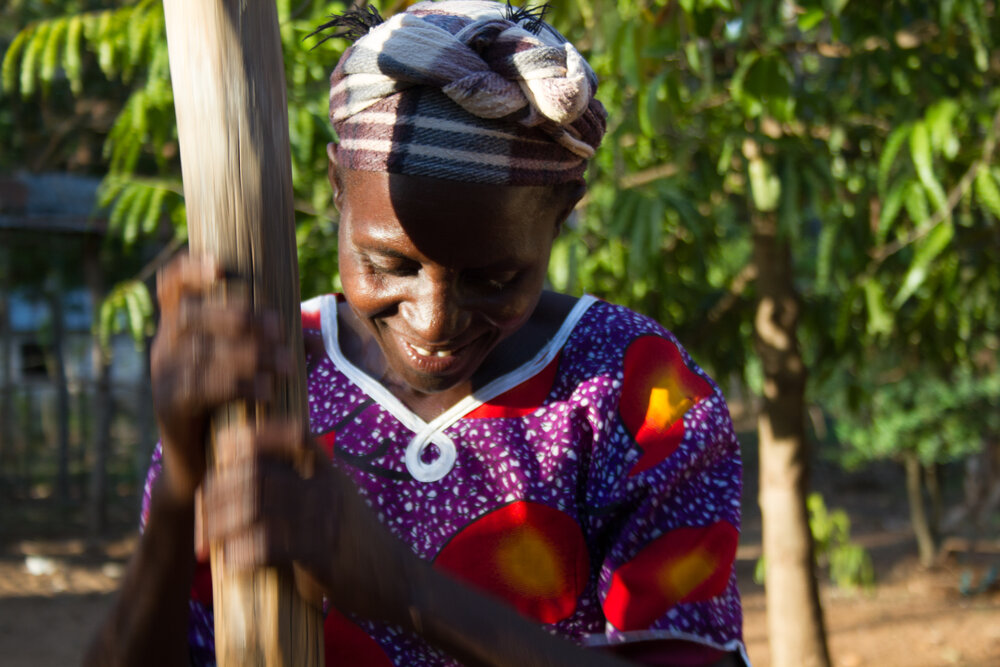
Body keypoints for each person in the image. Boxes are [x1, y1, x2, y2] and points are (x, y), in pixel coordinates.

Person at [85, 2, 748, 665]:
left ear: (563, 212)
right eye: (389, 264)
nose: (433, 320)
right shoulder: (265, 365)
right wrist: (181, 480)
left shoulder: (638, 395)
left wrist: (405, 588)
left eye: (491, 278)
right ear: (338, 188)